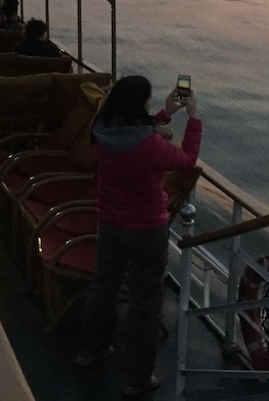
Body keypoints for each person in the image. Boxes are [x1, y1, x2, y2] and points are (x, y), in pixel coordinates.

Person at [75, 76, 201, 397]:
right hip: (146, 231)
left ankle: (88, 350)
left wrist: (164, 114)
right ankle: (137, 378)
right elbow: (186, 160)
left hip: (110, 225)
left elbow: (131, 134)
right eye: (148, 101)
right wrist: (194, 119)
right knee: (145, 304)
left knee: (103, 287)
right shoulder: (151, 147)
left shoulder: (101, 131)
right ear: (139, 105)